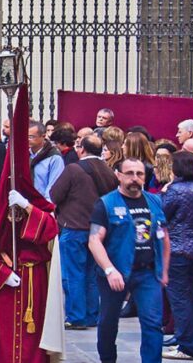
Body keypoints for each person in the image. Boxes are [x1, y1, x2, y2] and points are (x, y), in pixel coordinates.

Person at [0, 86, 64, 363]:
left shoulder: (38, 204)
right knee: (2, 341)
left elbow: (50, 230)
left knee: (32, 340)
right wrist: (1, 272)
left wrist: (27, 207)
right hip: (5, 279)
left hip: (35, 278)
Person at [89, 157, 170, 363]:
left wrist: (164, 270)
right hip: (115, 273)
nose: (135, 178)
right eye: (130, 173)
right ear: (119, 175)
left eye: (139, 174)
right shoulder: (106, 203)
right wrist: (109, 270)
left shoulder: (155, 201)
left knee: (152, 323)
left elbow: (164, 236)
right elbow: (94, 240)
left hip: (147, 272)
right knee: (108, 321)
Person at [50, 135, 117, 329]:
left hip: (74, 226)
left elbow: (55, 194)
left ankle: (76, 316)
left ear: (82, 149)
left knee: (73, 274)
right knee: (91, 275)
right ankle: (91, 314)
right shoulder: (109, 171)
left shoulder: (74, 169)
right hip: (98, 229)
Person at [159, 151, 193, 360]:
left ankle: (187, 346)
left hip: (178, 247)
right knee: (191, 294)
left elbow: (162, 215)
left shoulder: (175, 191)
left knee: (179, 297)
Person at [28, 120, 65, 200]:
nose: (27, 139)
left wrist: (46, 206)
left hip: (43, 203)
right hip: (24, 203)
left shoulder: (54, 157)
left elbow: (54, 185)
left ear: (43, 136)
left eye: (31, 137)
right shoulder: (25, 154)